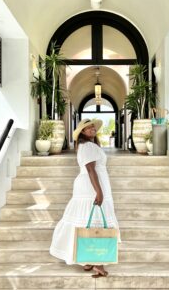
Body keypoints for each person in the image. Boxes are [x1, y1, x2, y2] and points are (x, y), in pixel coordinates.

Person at [49, 118, 121, 278]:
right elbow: (90, 170)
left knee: (88, 219)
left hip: (94, 185)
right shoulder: (87, 146)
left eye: (93, 127)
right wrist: (99, 192)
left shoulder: (88, 145)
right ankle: (98, 263)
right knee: (96, 221)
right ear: (82, 131)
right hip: (91, 187)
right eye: (88, 128)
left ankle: (88, 260)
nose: (92, 129)